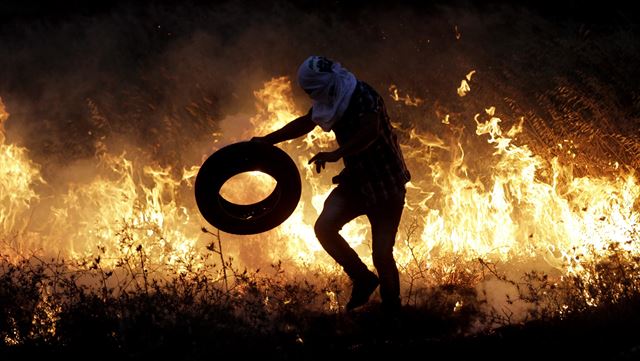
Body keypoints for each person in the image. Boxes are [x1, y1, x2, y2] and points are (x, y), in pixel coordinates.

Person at [251, 56, 411, 314]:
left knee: (382, 254)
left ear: (324, 84)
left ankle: (393, 313)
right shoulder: (331, 99)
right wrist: (268, 141)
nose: (311, 96)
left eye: (312, 91)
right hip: (357, 183)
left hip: (386, 186)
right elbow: (305, 122)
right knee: (324, 228)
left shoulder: (362, 96)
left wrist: (337, 153)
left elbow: (370, 132)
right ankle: (362, 278)